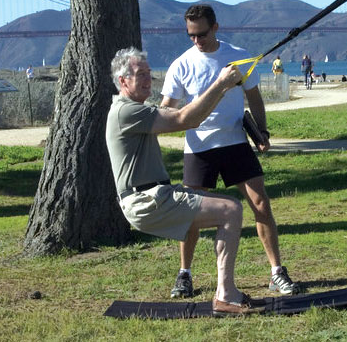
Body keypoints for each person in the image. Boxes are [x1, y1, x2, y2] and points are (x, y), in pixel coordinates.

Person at [106, 47, 263, 316]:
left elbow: (190, 116)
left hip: (153, 196)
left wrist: (220, 88)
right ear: (123, 81)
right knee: (231, 210)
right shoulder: (127, 112)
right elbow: (185, 118)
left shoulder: (134, 110)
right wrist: (221, 83)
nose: (148, 79)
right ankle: (225, 296)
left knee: (228, 210)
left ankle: (222, 291)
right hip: (146, 201)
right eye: (140, 74)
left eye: (149, 74)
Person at [161, 4, 299, 299]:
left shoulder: (238, 56)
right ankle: (184, 274)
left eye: (200, 34)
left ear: (215, 28)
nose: (196, 41)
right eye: (190, 35)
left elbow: (254, 97)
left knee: (261, 204)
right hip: (198, 148)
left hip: (236, 142)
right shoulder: (181, 64)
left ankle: (277, 272)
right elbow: (167, 109)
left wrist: (262, 132)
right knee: (189, 213)